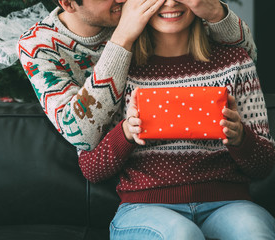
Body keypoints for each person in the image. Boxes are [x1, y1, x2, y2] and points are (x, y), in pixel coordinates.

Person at [78, 0, 275, 239]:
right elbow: (91, 168)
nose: (170, 2)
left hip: (229, 203)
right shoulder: (117, 70)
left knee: (255, 233)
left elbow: (264, 166)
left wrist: (240, 137)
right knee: (183, 234)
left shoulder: (235, 62)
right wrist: (126, 133)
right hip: (145, 208)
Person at [17, 0, 257, 151]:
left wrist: (216, 12)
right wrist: (122, 38)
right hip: (114, 160)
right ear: (68, 3)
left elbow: (247, 57)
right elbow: (82, 136)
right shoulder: (37, 45)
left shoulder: (148, 11)